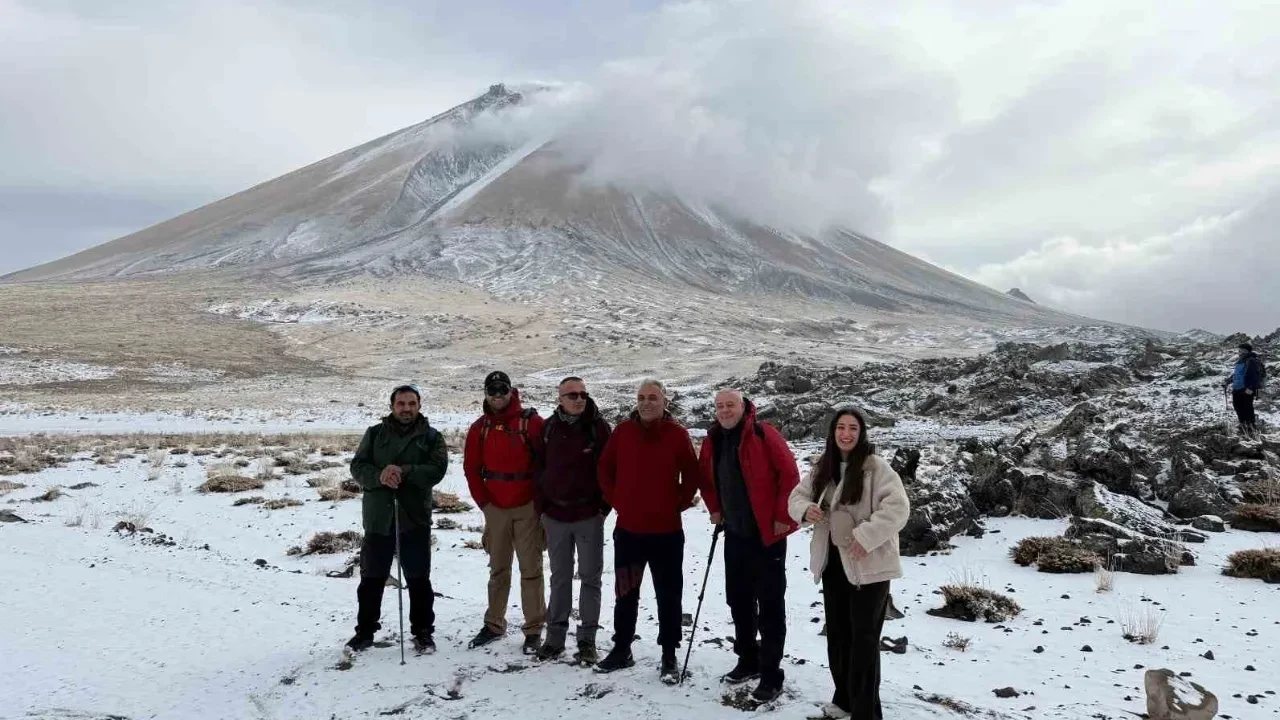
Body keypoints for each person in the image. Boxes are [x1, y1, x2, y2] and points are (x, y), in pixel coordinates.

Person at [788, 407, 910, 720]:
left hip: (869, 566)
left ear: (861, 433)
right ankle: (844, 700)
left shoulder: (876, 468)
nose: (846, 434)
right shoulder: (823, 467)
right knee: (839, 636)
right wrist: (806, 510)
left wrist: (866, 536)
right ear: (833, 432)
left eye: (852, 428)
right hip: (834, 565)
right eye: (840, 428)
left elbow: (898, 508)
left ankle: (866, 712)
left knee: (865, 641)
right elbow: (795, 497)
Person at [595, 379, 701, 684]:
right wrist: (617, 500)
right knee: (625, 592)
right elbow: (604, 469)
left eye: (653, 397)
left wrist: (675, 504)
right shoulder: (623, 432)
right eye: (641, 397)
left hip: (666, 532)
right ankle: (622, 649)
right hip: (629, 531)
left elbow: (691, 476)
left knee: (669, 594)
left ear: (664, 400)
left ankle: (669, 653)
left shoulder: (677, 434)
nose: (646, 403)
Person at [697, 389, 800, 703]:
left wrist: (783, 516)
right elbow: (706, 479)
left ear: (743, 407)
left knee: (770, 607)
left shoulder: (763, 433)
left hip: (767, 535)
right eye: (720, 406)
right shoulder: (713, 440)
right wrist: (714, 508)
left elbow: (790, 474)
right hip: (735, 533)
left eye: (730, 405)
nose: (725, 410)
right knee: (738, 601)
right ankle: (748, 658)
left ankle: (771, 674)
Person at [347, 384, 449, 655]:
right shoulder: (375, 434)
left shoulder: (431, 437)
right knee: (371, 578)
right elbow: (357, 466)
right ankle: (365, 631)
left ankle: (423, 632)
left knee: (418, 579)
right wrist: (380, 476)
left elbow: (437, 469)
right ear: (392, 406)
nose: (406, 408)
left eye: (411, 403)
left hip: (413, 517)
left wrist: (404, 471)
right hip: (379, 517)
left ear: (419, 405)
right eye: (401, 404)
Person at [463, 370, 547, 654]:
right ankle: (494, 624)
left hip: (527, 508)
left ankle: (534, 628)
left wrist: (540, 503)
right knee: (498, 569)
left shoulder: (531, 423)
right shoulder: (479, 429)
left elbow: (547, 464)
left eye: (502, 389)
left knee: (531, 569)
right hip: (495, 508)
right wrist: (485, 504)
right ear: (485, 393)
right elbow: (471, 470)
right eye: (492, 390)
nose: (498, 395)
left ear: (512, 391)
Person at [535, 376, 613, 665]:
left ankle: (587, 639)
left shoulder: (598, 428)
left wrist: (603, 508)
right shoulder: (549, 428)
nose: (579, 399)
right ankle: (554, 639)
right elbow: (538, 468)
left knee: (590, 578)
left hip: (588, 515)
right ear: (560, 399)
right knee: (560, 578)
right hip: (555, 516)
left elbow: (610, 469)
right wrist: (542, 507)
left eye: (582, 393)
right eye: (572, 395)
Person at [1225, 342, 1266, 436]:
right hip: (1237, 388)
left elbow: (1253, 375)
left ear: (1245, 350)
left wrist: (1250, 388)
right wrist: (1227, 381)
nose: (1239, 352)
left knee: (1247, 408)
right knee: (1238, 407)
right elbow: (1237, 375)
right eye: (1238, 350)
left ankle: (1251, 427)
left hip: (1246, 389)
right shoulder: (1241, 361)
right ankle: (1243, 425)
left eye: (1241, 350)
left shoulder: (1251, 360)